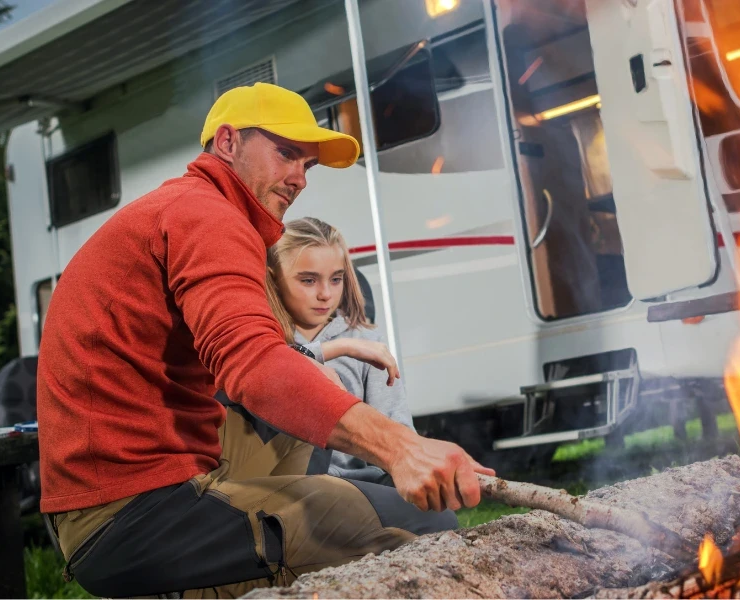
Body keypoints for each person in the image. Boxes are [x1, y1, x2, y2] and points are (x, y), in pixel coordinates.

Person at [36, 82, 493, 599]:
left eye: (308, 165)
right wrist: (400, 448)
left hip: (115, 497)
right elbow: (254, 367)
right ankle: (206, 584)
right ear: (227, 142)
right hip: (130, 516)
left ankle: (249, 550)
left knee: (305, 405)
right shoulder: (206, 215)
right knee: (421, 528)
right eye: (286, 153)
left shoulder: (183, 209)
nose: (299, 178)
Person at [265, 215, 412, 485]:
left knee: (437, 516)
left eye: (335, 279)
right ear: (274, 280)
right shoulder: (262, 338)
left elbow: (397, 429)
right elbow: (269, 367)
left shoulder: (367, 340)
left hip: (363, 485)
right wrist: (338, 348)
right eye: (308, 281)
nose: (325, 294)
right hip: (290, 485)